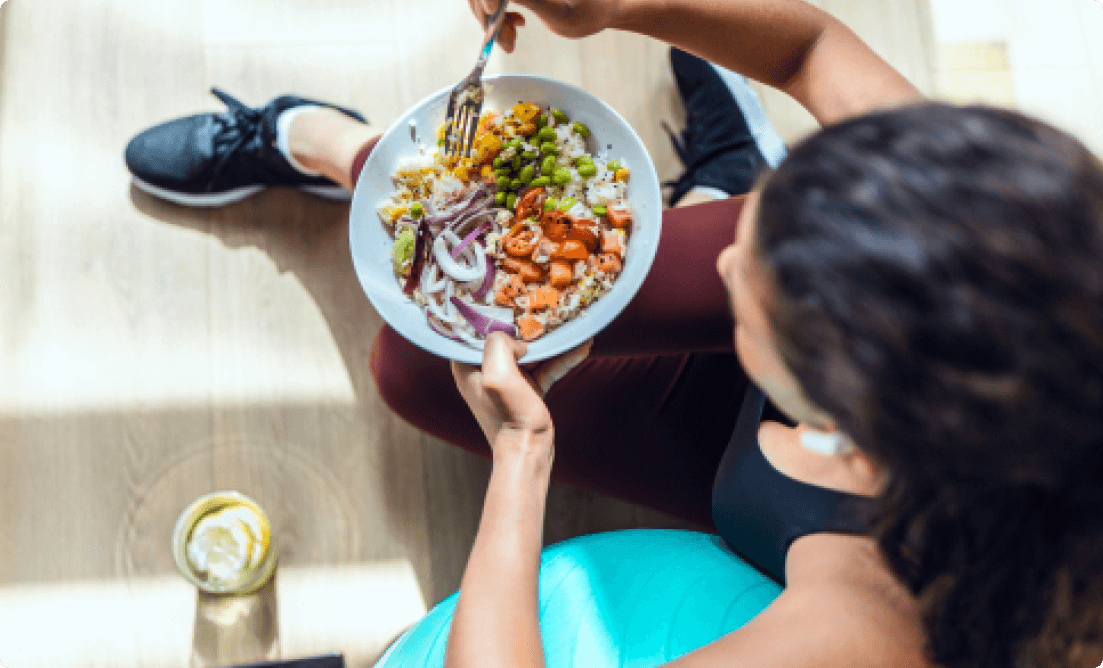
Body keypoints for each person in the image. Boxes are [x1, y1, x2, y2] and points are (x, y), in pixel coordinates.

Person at [122, 0, 1103, 666]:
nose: (720, 261)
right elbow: (810, 51)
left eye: (745, 273)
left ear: (846, 420)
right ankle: (348, 148)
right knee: (432, 333)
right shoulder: (1008, 243)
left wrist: (522, 450)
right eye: (755, 227)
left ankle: (726, 180)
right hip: (785, 424)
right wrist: (607, 0)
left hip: (767, 504)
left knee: (416, 371)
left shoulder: (869, 618)